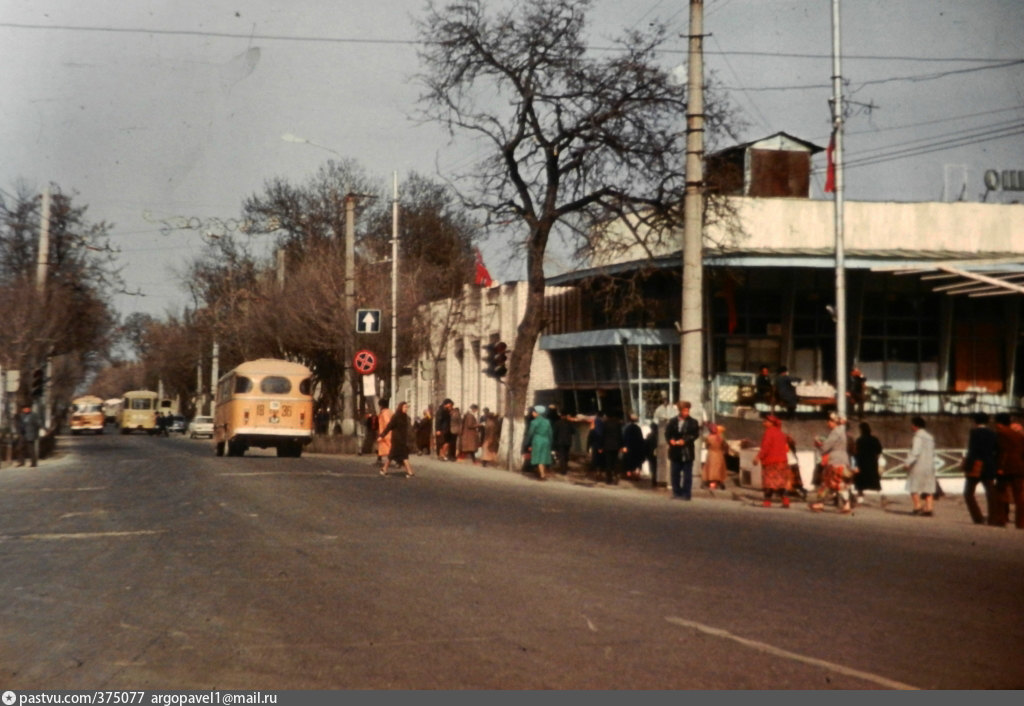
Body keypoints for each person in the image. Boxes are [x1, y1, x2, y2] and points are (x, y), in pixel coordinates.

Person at [812, 412, 853, 514]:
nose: (828, 424)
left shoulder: (835, 432)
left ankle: (819, 503)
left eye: (829, 421)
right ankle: (846, 504)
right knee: (840, 483)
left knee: (826, 482)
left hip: (835, 460)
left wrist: (819, 444)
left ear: (834, 422)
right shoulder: (842, 431)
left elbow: (826, 446)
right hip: (843, 460)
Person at [962, 413, 998, 525]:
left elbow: (972, 450)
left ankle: (978, 517)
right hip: (989, 465)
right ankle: (994, 518)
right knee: (991, 493)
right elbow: (996, 449)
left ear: (975, 421)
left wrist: (968, 464)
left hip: (976, 465)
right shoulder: (993, 433)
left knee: (968, 492)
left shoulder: (974, 432)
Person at [992, 413, 1024, 529]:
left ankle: (1001, 519)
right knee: (1019, 496)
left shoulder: (1001, 434)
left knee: (1001, 493)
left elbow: (1002, 452)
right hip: (1019, 468)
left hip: (1006, 468)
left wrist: (1000, 467)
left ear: (999, 423)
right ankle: (1021, 522)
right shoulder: (1019, 435)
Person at [664, 400, 699, 500]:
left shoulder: (693, 422)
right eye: (684, 411)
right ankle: (676, 492)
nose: (686, 413)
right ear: (680, 411)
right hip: (675, 451)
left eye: (687, 411)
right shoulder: (673, 421)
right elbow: (667, 433)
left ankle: (686, 493)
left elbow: (694, 434)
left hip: (687, 451)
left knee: (687, 474)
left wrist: (685, 441)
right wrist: (671, 441)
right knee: (675, 473)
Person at [754, 415, 790, 507]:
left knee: (769, 482)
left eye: (766, 421)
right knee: (781, 482)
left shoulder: (768, 433)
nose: (764, 422)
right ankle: (785, 501)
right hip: (782, 461)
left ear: (771, 423)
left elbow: (765, 448)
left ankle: (767, 502)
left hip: (771, 462)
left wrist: (758, 457)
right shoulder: (781, 433)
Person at [905, 416, 937, 517]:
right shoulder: (930, 437)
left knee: (913, 486)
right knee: (928, 486)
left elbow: (915, 451)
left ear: (915, 425)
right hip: (929, 465)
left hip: (918, 464)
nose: (911, 426)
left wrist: (908, 462)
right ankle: (929, 508)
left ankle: (917, 506)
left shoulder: (917, 437)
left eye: (912, 424)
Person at [378, 401, 415, 478]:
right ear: (400, 407)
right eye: (405, 407)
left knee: (394, 456)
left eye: (407, 407)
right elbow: (389, 427)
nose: (406, 409)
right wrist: (382, 435)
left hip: (403, 439)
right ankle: (409, 472)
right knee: (402, 456)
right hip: (397, 440)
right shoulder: (396, 416)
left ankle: (384, 469)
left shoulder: (405, 417)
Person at [522, 405, 554, 480]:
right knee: (543, 457)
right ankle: (542, 473)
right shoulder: (547, 422)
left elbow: (530, 433)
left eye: (534, 412)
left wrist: (527, 443)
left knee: (539, 458)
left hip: (537, 440)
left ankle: (542, 475)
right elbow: (550, 433)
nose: (533, 413)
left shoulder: (534, 422)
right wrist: (551, 442)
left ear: (538, 413)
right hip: (546, 440)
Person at [853, 422, 883, 499]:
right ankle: (881, 495)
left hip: (861, 462)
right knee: (874, 479)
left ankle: (860, 496)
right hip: (872, 462)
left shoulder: (859, 440)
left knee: (861, 480)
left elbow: (856, 451)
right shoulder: (874, 439)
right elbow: (879, 450)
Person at [702, 422, 728, 491]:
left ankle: (711, 482)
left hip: (711, 454)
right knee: (719, 468)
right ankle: (719, 482)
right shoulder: (720, 437)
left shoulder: (708, 437)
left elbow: (707, 446)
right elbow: (725, 446)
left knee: (710, 468)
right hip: (719, 454)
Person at [14, 403, 41, 467]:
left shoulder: (34, 415)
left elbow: (38, 424)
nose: (26, 410)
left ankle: (33, 463)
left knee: (31, 450)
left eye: (27, 408)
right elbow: (19, 424)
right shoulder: (21, 416)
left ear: (29, 409)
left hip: (31, 434)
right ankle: (21, 461)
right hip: (23, 434)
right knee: (19, 448)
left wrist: (35, 433)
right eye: (24, 409)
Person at [621, 414, 646, 480]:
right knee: (637, 461)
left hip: (629, 447)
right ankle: (636, 473)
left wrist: (624, 446)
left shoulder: (626, 428)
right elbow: (640, 439)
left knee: (628, 461)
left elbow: (624, 437)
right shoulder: (638, 428)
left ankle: (629, 473)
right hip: (636, 447)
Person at [601, 412, 624, 485]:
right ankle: (616, 477)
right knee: (615, 462)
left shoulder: (605, 424)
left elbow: (603, 435)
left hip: (607, 446)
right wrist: (621, 446)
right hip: (616, 446)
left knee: (608, 463)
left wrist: (601, 446)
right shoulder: (618, 424)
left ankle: (608, 479)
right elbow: (620, 435)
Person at [551, 408, 574, 475]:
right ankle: (565, 468)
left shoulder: (557, 423)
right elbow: (573, 431)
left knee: (562, 456)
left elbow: (555, 433)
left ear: (561, 415)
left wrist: (555, 441)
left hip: (560, 442)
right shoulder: (569, 423)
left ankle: (563, 470)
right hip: (568, 442)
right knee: (566, 455)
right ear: (566, 415)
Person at [376, 399, 393, 474]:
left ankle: (386, 466)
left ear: (381, 406)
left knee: (390, 450)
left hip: (386, 434)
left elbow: (387, 423)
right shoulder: (390, 412)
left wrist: (383, 434)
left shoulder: (384, 413)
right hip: (388, 434)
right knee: (390, 450)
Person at [644, 423, 659, 488]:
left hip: (651, 453)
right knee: (656, 467)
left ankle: (654, 479)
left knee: (653, 467)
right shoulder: (659, 436)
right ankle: (655, 479)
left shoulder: (649, 435)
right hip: (656, 453)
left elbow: (646, 445)